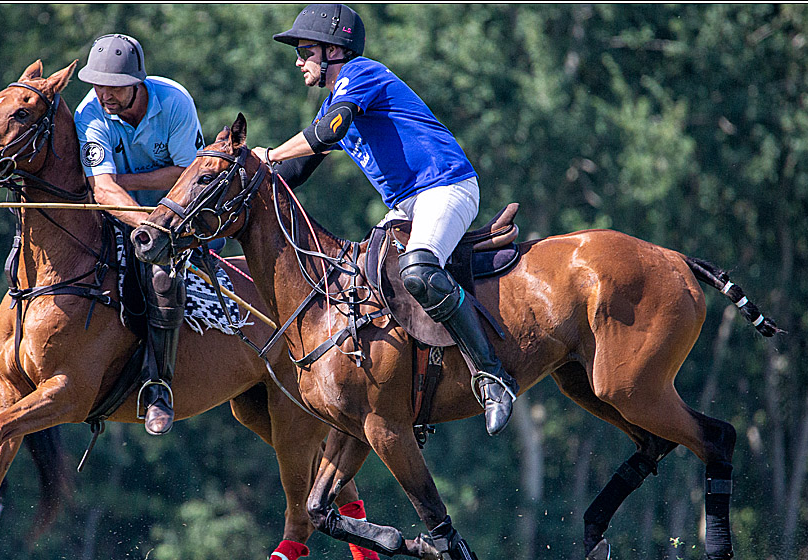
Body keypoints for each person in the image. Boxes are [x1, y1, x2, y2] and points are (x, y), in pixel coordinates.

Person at [252, 4, 517, 435]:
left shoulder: (361, 75)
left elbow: (329, 132)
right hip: (408, 204)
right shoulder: (335, 101)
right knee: (362, 281)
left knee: (419, 270)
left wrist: (270, 154)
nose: (299, 62)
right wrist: (244, 186)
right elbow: (295, 173)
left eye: (305, 51)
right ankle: (408, 391)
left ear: (333, 50)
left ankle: (492, 377)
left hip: (445, 187)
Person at [74, 33, 206, 436]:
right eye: (97, 84)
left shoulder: (175, 103)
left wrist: (128, 183)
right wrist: (141, 220)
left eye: (113, 87)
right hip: (123, 217)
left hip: (180, 216)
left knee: (162, 279)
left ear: (137, 82)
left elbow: (188, 173)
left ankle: (158, 388)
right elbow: (103, 188)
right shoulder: (89, 113)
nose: (104, 94)